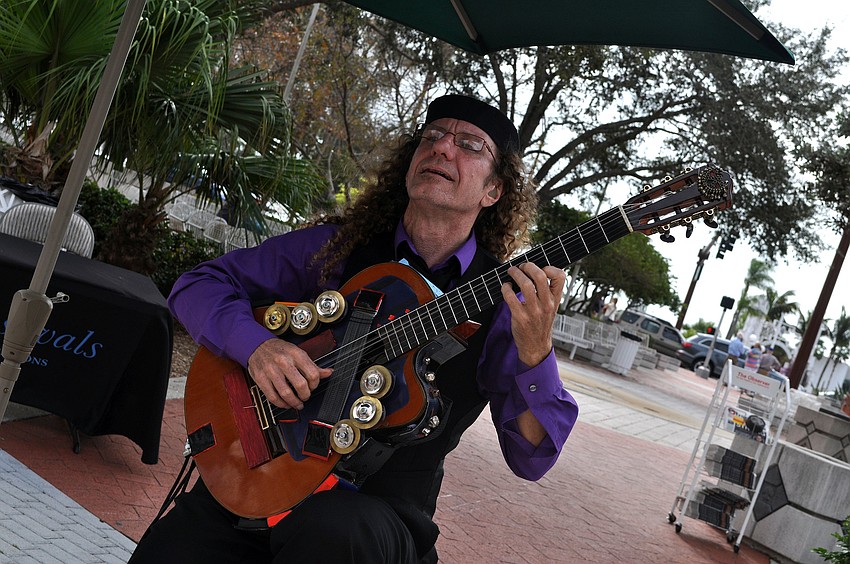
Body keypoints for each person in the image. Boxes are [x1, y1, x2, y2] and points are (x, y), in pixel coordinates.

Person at [129, 94, 579, 563]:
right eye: (432, 136)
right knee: (170, 550)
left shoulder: (504, 306)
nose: (443, 148)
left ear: (494, 192)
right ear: (410, 165)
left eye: (469, 144)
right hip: (258, 476)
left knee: (331, 531)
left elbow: (531, 456)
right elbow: (198, 284)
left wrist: (535, 354)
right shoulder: (337, 248)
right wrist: (258, 348)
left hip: (375, 514)